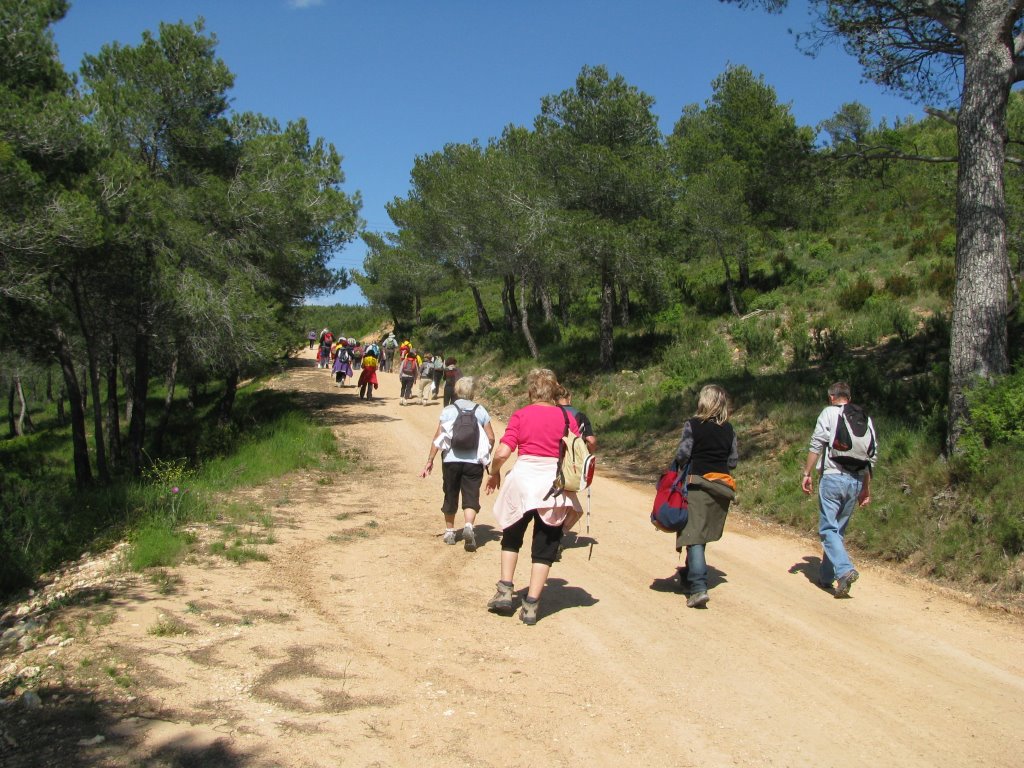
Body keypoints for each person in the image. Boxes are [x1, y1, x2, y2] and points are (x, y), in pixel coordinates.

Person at [484, 368, 583, 626]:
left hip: (523, 483)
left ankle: (505, 591)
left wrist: (493, 472)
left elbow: (504, 452)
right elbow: (577, 450)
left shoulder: (521, 415)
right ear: (554, 391)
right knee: (546, 545)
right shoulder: (566, 417)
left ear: (531, 391)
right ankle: (531, 604)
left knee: (511, 536)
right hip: (553, 485)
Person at [801, 381, 877, 598]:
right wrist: (866, 489)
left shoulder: (829, 413)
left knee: (827, 529)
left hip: (833, 477)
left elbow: (817, 444)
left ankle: (844, 570)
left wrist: (807, 473)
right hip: (855, 480)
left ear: (831, 397)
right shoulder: (865, 419)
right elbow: (871, 457)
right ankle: (827, 577)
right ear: (849, 399)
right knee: (837, 532)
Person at [671, 384, 738, 609]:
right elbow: (733, 461)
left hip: (698, 485)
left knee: (694, 537)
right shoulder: (729, 429)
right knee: (702, 533)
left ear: (704, 401)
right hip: (722, 488)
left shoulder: (693, 425)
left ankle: (698, 588)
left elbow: (683, 454)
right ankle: (689, 575)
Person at [420, 376, 495, 551]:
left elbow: (438, 437)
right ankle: (469, 526)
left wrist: (430, 460)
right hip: (474, 462)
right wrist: (485, 454)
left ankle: (450, 531)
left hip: (451, 460)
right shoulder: (481, 410)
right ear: (472, 392)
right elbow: (491, 437)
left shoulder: (448, 410)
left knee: (450, 492)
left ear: (457, 391)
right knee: (471, 495)